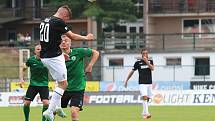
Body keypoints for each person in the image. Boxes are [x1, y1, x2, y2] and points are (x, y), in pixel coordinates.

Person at [39, 5, 94, 121]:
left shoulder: (45, 21)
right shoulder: (58, 22)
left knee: (59, 83)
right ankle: (49, 111)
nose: (66, 22)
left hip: (46, 56)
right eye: (67, 19)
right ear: (64, 15)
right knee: (64, 84)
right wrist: (87, 38)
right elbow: (72, 36)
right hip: (53, 56)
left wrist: (60, 55)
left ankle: (58, 107)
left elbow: (48, 40)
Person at [59, 35, 99, 121]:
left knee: (74, 111)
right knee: (52, 109)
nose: (63, 42)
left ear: (70, 43)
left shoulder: (78, 52)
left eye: (66, 40)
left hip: (78, 88)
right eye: (61, 41)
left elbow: (96, 53)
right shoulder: (56, 57)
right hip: (63, 88)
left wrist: (90, 65)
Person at [20, 45, 49, 121]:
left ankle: (43, 119)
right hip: (33, 85)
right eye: (38, 49)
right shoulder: (31, 60)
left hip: (44, 85)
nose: (39, 50)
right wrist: (21, 79)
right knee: (26, 103)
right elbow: (23, 68)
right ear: (35, 51)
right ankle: (26, 119)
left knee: (46, 103)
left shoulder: (47, 59)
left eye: (41, 49)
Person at [124, 49, 154, 119]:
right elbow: (132, 72)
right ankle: (147, 113)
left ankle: (143, 113)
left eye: (146, 53)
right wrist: (126, 80)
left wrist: (147, 62)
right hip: (142, 83)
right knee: (144, 97)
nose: (145, 55)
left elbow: (152, 68)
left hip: (149, 83)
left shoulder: (151, 61)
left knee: (149, 99)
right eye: (143, 53)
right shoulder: (137, 63)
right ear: (141, 54)